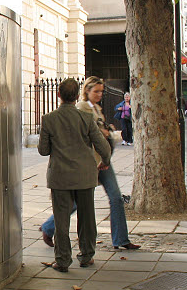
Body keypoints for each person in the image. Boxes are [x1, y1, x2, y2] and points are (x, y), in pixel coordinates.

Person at [39, 77, 141, 254]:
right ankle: (51, 229)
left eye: (101, 91)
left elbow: (44, 149)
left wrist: (106, 154)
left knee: (115, 198)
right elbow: (83, 134)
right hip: (88, 164)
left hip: (101, 162)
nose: (100, 95)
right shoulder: (82, 109)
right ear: (84, 92)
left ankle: (120, 239)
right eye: (96, 91)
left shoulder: (96, 109)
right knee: (78, 205)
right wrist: (101, 132)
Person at [38, 78, 111, 272]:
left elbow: (43, 150)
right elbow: (102, 145)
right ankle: (86, 255)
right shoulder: (86, 118)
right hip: (85, 175)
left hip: (60, 176)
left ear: (58, 95)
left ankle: (62, 260)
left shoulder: (49, 119)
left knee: (61, 220)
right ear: (78, 96)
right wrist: (105, 161)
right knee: (87, 217)